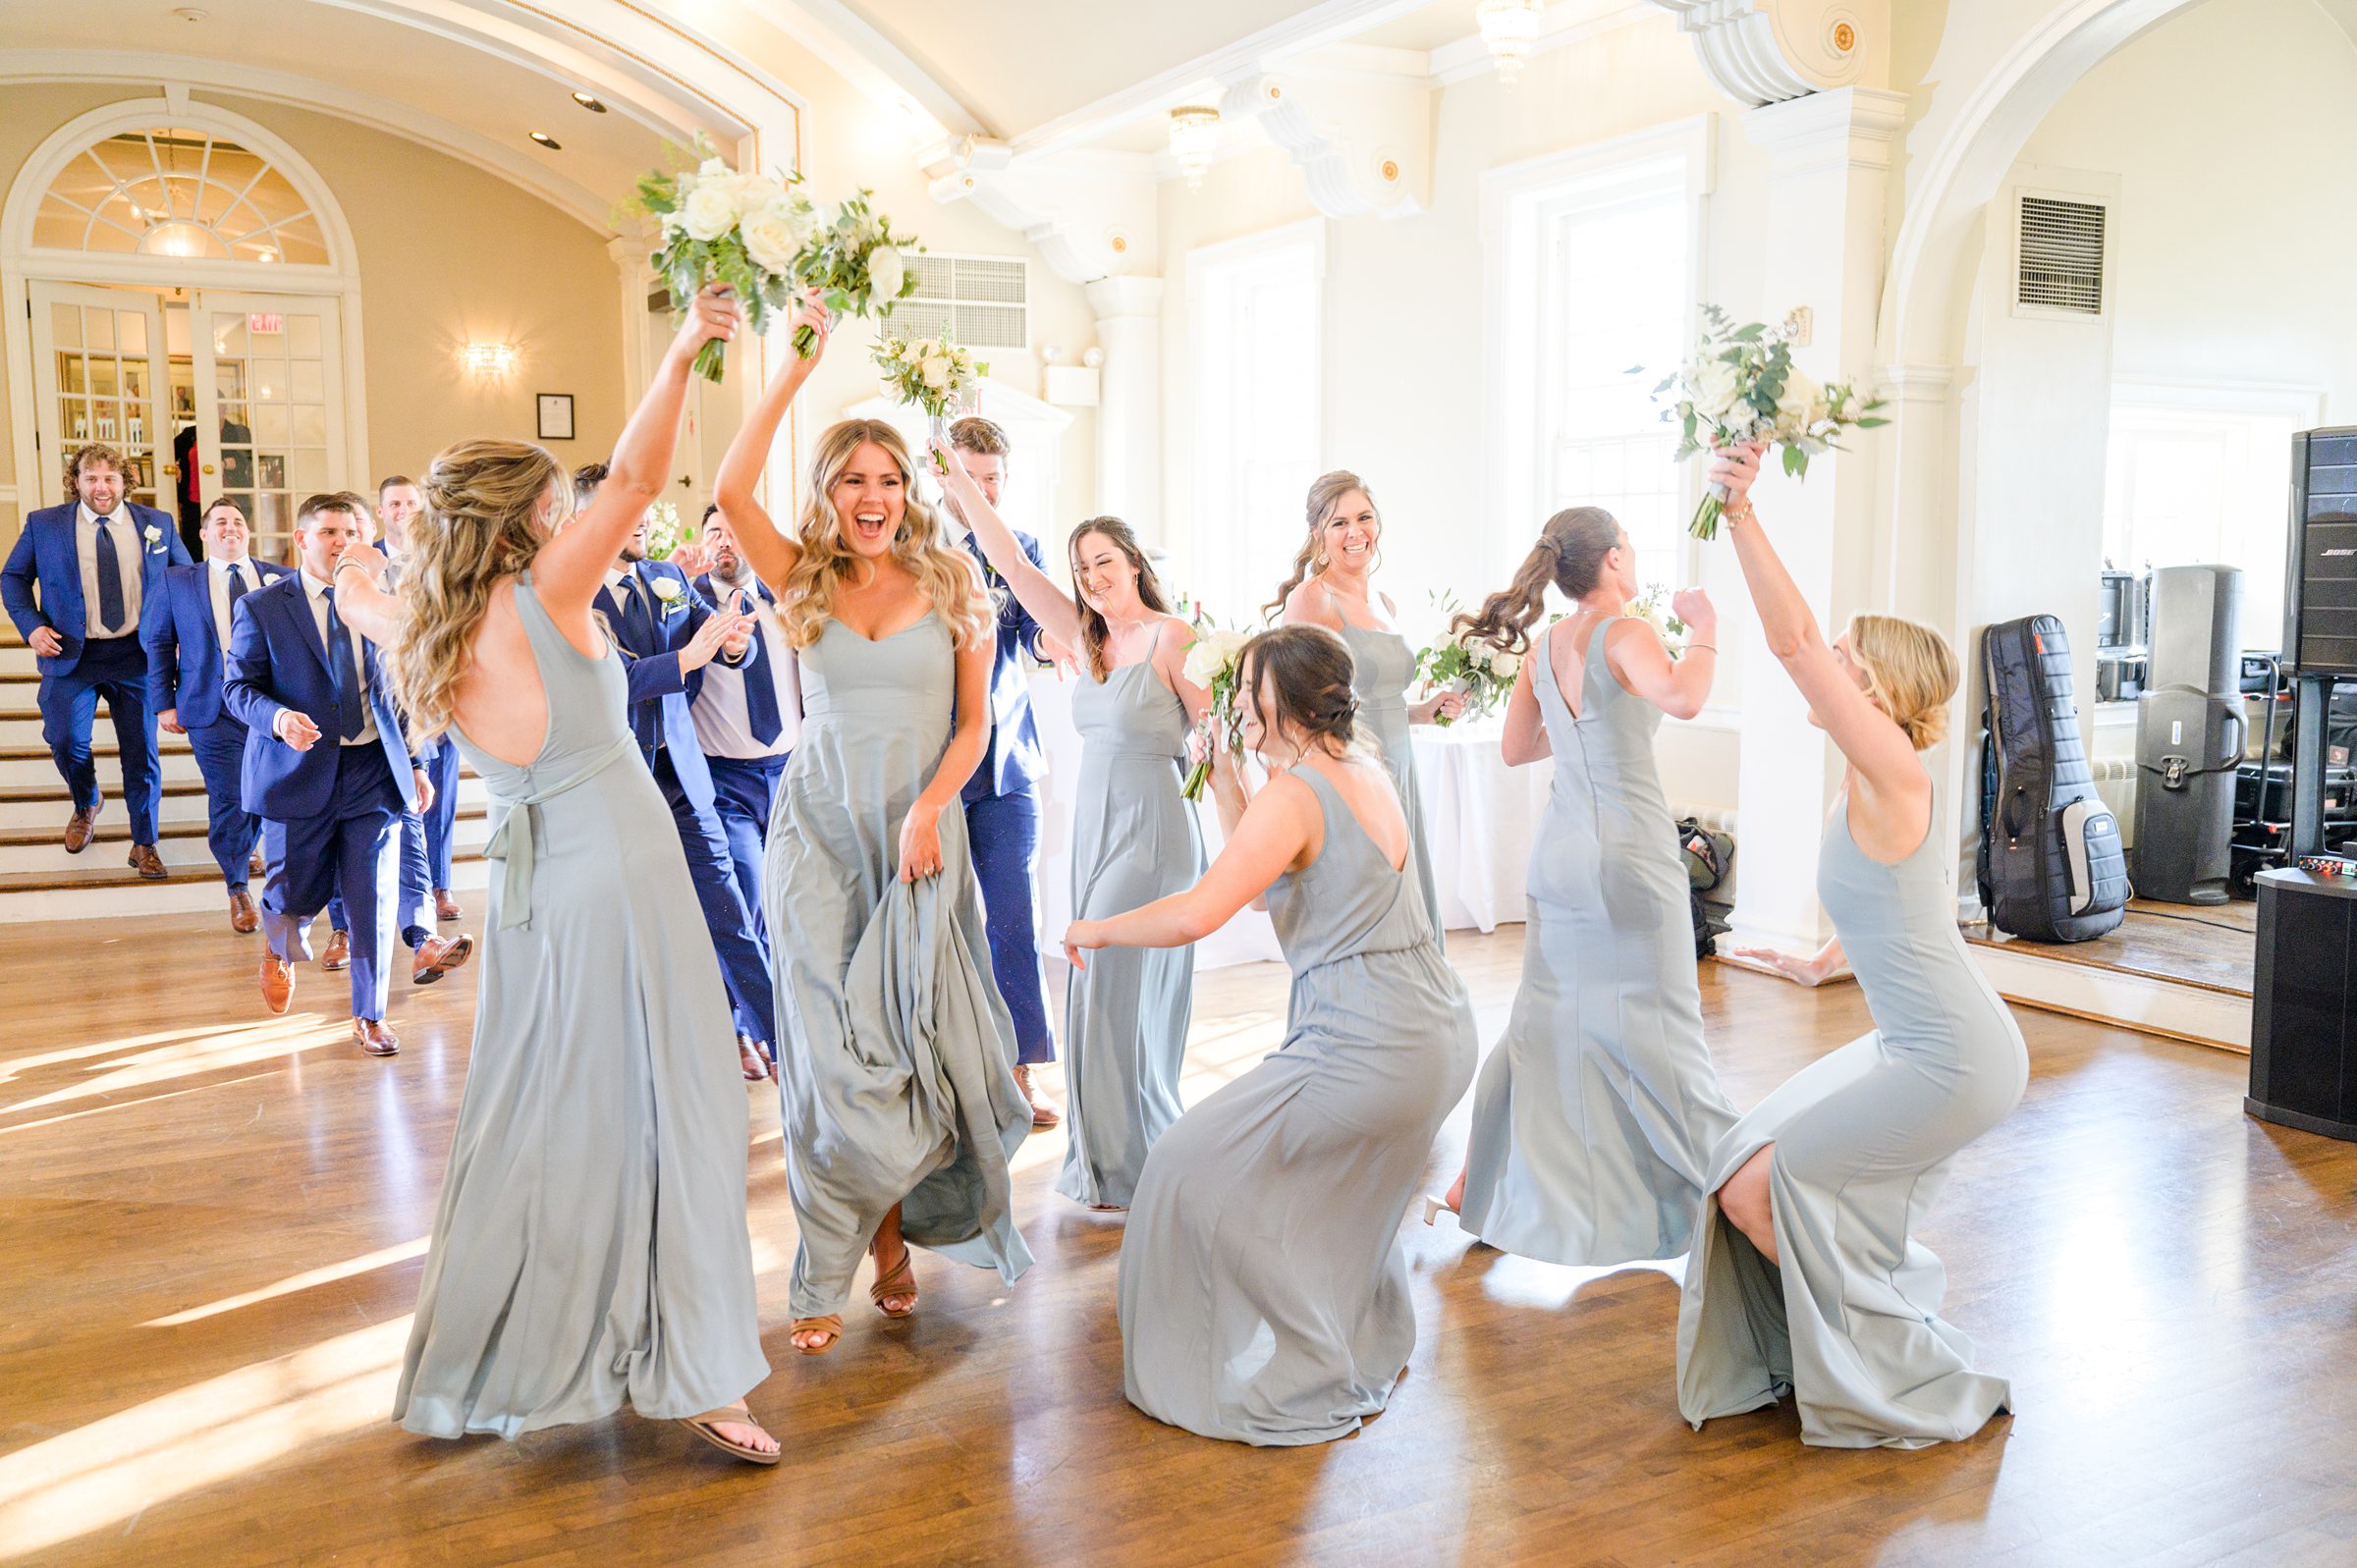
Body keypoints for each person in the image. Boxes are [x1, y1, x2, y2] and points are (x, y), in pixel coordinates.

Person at [374, 284, 778, 1462]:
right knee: (681, 1112)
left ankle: (487, 1357)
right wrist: (687, 347)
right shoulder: (543, 593)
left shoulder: (435, 629)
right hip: (615, 867)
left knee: (547, 1119)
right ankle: (699, 1368)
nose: (577, 519)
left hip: (539, 892)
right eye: (560, 504)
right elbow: (645, 483)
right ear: (525, 523)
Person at [1675, 442, 2028, 1449]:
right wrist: (1818, 962)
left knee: (1763, 1189)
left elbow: (1787, 642)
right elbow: (1903, 914)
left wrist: (1740, 511)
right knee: (1739, 1164)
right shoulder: (1869, 781)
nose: (1823, 657)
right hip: (1912, 1038)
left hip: (1953, 1058)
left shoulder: (1896, 769)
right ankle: (1844, 1347)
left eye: (1843, 655)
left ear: (1872, 686)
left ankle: (1895, 1363)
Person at [714, 299, 1032, 1357]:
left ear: (911, 491)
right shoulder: (803, 581)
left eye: (889, 480)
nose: (872, 497)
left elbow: (977, 722)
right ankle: (825, 1262)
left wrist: (933, 809)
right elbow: (725, 488)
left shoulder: (957, 585)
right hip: (815, 835)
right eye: (852, 479)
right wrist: (796, 369)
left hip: (917, 843)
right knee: (825, 1057)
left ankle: (894, 1241)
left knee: (901, 1054)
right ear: (827, 494)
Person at [1071, 624, 1476, 1445]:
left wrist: (1098, 927)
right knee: (1316, 1188)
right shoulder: (1364, 766)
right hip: (1436, 1030)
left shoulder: (1296, 794)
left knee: (1187, 1170)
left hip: (1366, 1041)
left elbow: (1200, 911)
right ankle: (1337, 1330)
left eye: (1249, 696)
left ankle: (1294, 1356)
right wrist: (1224, 771)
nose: (1240, 711)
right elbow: (1265, 887)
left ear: (1277, 702)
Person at [1427, 508, 1739, 1266]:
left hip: (1560, 850)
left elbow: (1514, 748)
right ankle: (1736, 1183)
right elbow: (1685, 697)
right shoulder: (1625, 632)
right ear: (1611, 560)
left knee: (1546, 1020)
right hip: (1626, 853)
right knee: (1662, 1022)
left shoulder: (1545, 645)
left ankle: (1482, 1180)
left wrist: (1578, 733)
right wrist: (1705, 628)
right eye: (1629, 545)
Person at [935, 454, 1207, 1211]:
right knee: (1095, 989)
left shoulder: (1172, 636)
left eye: (1104, 561)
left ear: (1134, 564)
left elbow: (1217, 737)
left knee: (1112, 983)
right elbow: (1013, 566)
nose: (1091, 576)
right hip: (1098, 823)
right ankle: (1116, 1156)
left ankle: (1135, 1158)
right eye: (1082, 565)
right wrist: (957, 481)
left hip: (1155, 826)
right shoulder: (1084, 638)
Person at [223, 493, 465, 1055]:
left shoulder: (382, 603)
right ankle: (278, 948)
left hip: (372, 768)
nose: (340, 543)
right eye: (328, 532)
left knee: (371, 895)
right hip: (297, 769)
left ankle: (370, 1014)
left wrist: (419, 763)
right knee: (293, 890)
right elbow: (236, 690)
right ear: (301, 541)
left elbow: (404, 690)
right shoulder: (263, 606)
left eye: (350, 532)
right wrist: (279, 719)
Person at [574, 463, 772, 1084]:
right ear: (590, 517)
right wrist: (685, 658)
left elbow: (708, 638)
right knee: (628, 929)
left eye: (647, 509)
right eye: (632, 510)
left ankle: (785, 1046)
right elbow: (603, 684)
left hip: (686, 780)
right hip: (613, 781)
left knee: (732, 914)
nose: (646, 521)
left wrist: (735, 644)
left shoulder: (664, 577)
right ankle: (637, 1062)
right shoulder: (569, 594)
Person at [1270, 471, 1461, 946]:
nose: (1355, 533)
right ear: (1318, 534)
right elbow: (1290, 701)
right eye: (1339, 523)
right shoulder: (1311, 599)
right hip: (1354, 770)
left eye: (1364, 518)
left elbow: (1378, 698)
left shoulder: (1385, 600)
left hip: (1402, 766)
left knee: (1409, 888)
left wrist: (1423, 710)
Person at [943, 416, 1062, 1129]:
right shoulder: (912, 546)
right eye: (970, 477)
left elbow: (1035, 635)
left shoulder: (1021, 551)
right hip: (932, 763)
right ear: (944, 479)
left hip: (1008, 761)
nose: (982, 489)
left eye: (992, 479)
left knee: (1015, 917)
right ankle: (950, 1073)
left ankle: (1022, 1067)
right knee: (941, 926)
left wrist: (1056, 638)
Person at [2, 441, 192, 875]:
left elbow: (185, 580)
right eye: (91, 478)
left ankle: (144, 843)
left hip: (136, 655)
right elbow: (13, 577)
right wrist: (31, 627)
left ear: (125, 481)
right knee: (65, 740)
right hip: (72, 653)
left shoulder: (157, 524)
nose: (101, 487)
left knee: (141, 754)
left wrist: (182, 635)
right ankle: (86, 800)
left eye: (110, 478)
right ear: (76, 482)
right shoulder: (44, 525)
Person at [686, 506, 800, 1081]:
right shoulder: (684, 603)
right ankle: (743, 1027)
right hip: (723, 778)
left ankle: (768, 1024)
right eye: (714, 534)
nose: (726, 542)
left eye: (734, 532)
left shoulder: (788, 598)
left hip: (788, 772)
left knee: (785, 908)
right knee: (745, 900)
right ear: (702, 546)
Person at [141, 498, 290, 931]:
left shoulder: (279, 579)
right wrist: (163, 702)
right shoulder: (177, 581)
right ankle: (238, 888)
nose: (231, 528)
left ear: (248, 532)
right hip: (210, 707)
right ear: (203, 534)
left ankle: (253, 846)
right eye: (220, 522)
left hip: (270, 708)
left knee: (269, 791)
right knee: (229, 795)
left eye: (239, 522)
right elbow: (156, 642)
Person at [379, 474, 463, 926]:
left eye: (410, 502)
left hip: (435, 688)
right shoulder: (365, 560)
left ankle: (440, 883)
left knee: (443, 790)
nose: (403, 510)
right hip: (383, 691)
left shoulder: (442, 561)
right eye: (394, 503)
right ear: (381, 511)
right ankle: (396, 889)